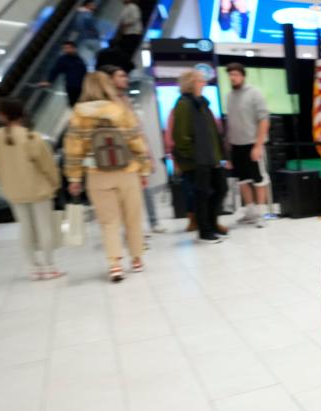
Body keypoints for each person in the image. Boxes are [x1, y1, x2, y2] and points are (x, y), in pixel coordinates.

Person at [64, 72, 151, 282]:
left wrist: (74, 178)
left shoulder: (78, 114)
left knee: (109, 222)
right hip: (127, 171)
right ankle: (137, 259)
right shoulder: (120, 110)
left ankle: (115, 265)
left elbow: (73, 149)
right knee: (133, 218)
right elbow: (135, 140)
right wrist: (144, 168)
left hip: (97, 175)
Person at [0, 97, 63, 280]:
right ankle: (50, 266)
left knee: (25, 229)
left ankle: (34, 269)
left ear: (2, 115)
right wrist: (55, 183)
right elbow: (48, 165)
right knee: (44, 227)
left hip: (13, 190)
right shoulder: (31, 137)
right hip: (38, 189)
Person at [98, 64, 161, 235]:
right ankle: (132, 231)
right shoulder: (107, 102)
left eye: (125, 76)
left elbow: (137, 128)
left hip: (135, 151)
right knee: (126, 194)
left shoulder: (126, 100)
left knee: (144, 187)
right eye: (121, 76)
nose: (125, 79)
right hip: (119, 155)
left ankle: (150, 223)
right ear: (111, 80)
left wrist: (147, 152)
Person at [171, 69, 228, 243]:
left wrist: (218, 157)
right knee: (202, 195)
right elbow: (181, 136)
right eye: (200, 81)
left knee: (220, 189)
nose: (204, 84)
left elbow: (212, 133)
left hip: (210, 159)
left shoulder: (202, 104)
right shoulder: (183, 105)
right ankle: (205, 231)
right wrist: (194, 158)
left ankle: (211, 223)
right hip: (197, 161)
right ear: (190, 83)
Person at [224, 62, 270, 226]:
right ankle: (250, 212)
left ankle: (260, 214)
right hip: (236, 146)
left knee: (258, 179)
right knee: (242, 180)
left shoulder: (254, 94)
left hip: (253, 144)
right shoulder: (229, 96)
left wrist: (258, 145)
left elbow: (264, 120)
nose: (233, 78)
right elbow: (230, 123)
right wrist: (228, 152)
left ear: (242, 76)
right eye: (230, 75)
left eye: (235, 75)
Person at [41, 41, 87, 106]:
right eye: (64, 48)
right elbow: (55, 71)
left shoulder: (79, 59)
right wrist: (49, 81)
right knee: (75, 105)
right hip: (72, 87)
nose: (66, 50)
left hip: (82, 86)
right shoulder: (62, 59)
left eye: (68, 48)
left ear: (74, 48)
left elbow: (84, 73)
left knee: (84, 104)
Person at [70, 1, 101, 67]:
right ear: (88, 5)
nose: (94, 6)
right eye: (93, 5)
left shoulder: (79, 14)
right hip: (90, 38)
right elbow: (91, 26)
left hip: (84, 38)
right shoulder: (87, 15)